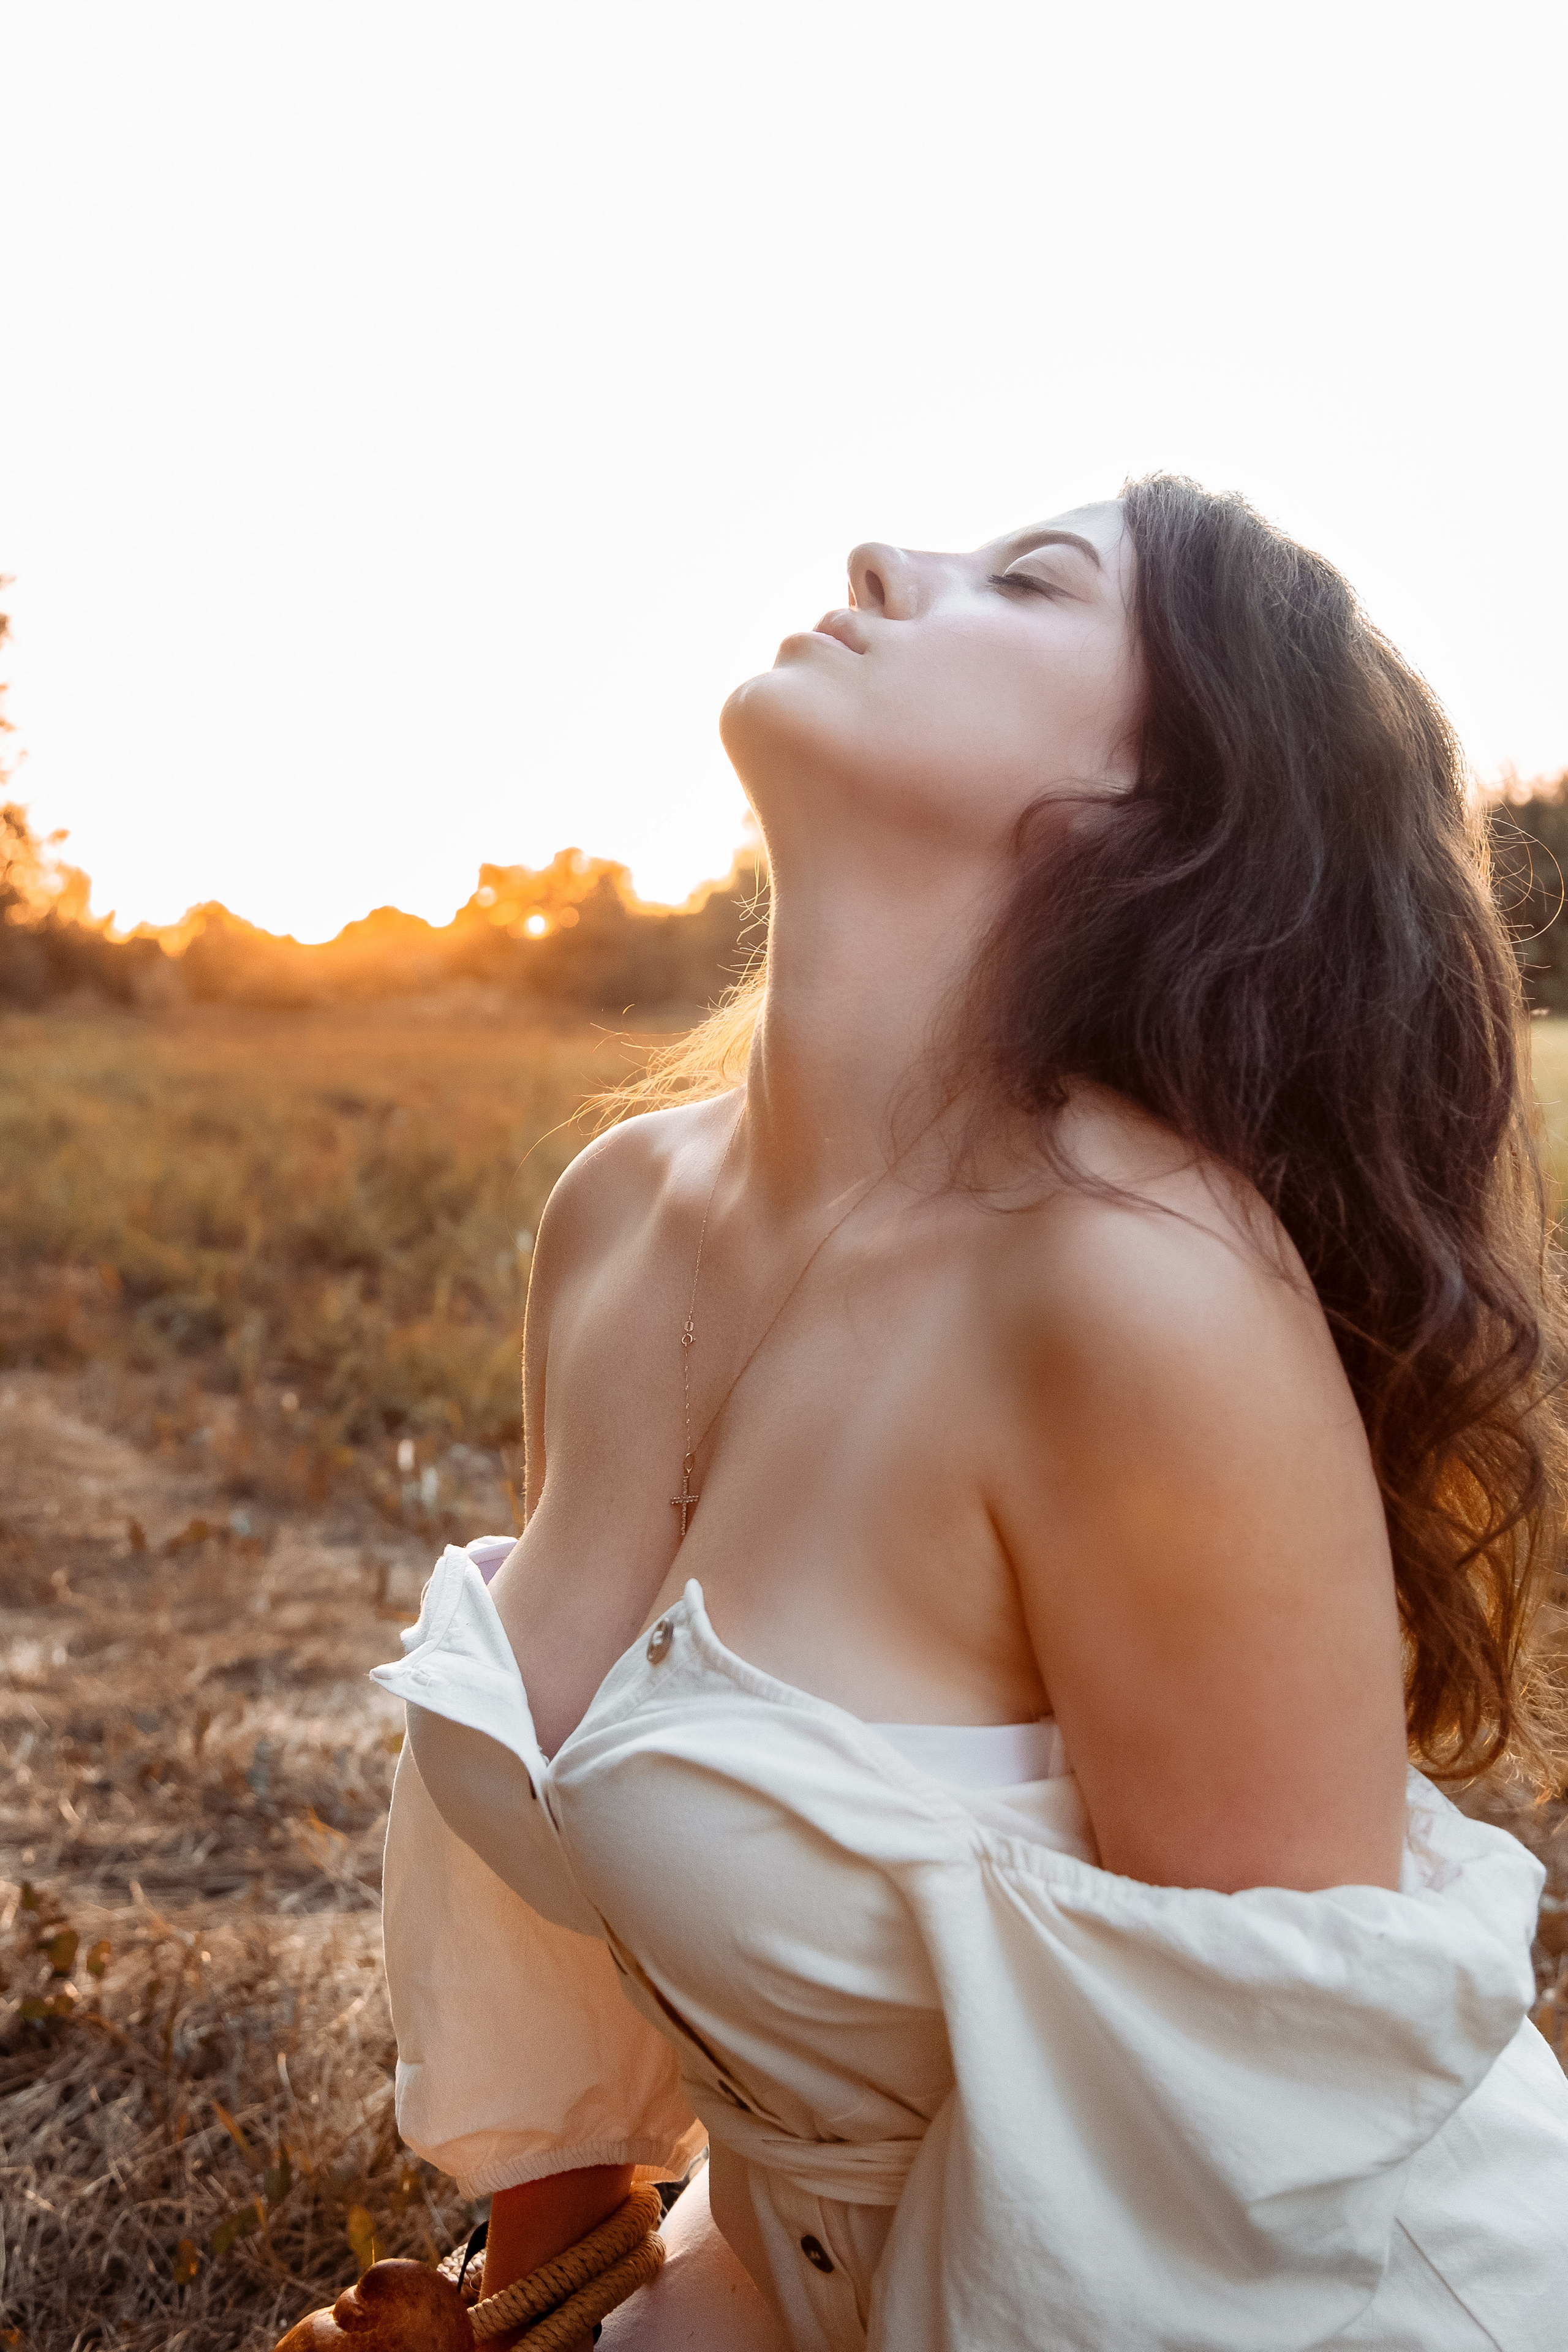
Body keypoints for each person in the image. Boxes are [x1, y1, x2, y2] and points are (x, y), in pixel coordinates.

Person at [371, 478, 1568, 2350]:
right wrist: (556, 2278)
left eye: (1028, 582)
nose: (876, 565)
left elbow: (1241, 2152)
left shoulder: (1135, 1291)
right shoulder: (617, 1217)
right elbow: (580, 1807)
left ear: (1144, 807)